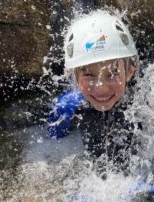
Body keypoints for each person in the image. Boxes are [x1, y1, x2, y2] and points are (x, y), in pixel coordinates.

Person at [47, 11, 140, 171]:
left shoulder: (142, 106)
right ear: (74, 75)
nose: (101, 88)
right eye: (89, 75)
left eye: (112, 74)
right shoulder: (70, 105)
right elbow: (53, 135)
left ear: (130, 71)